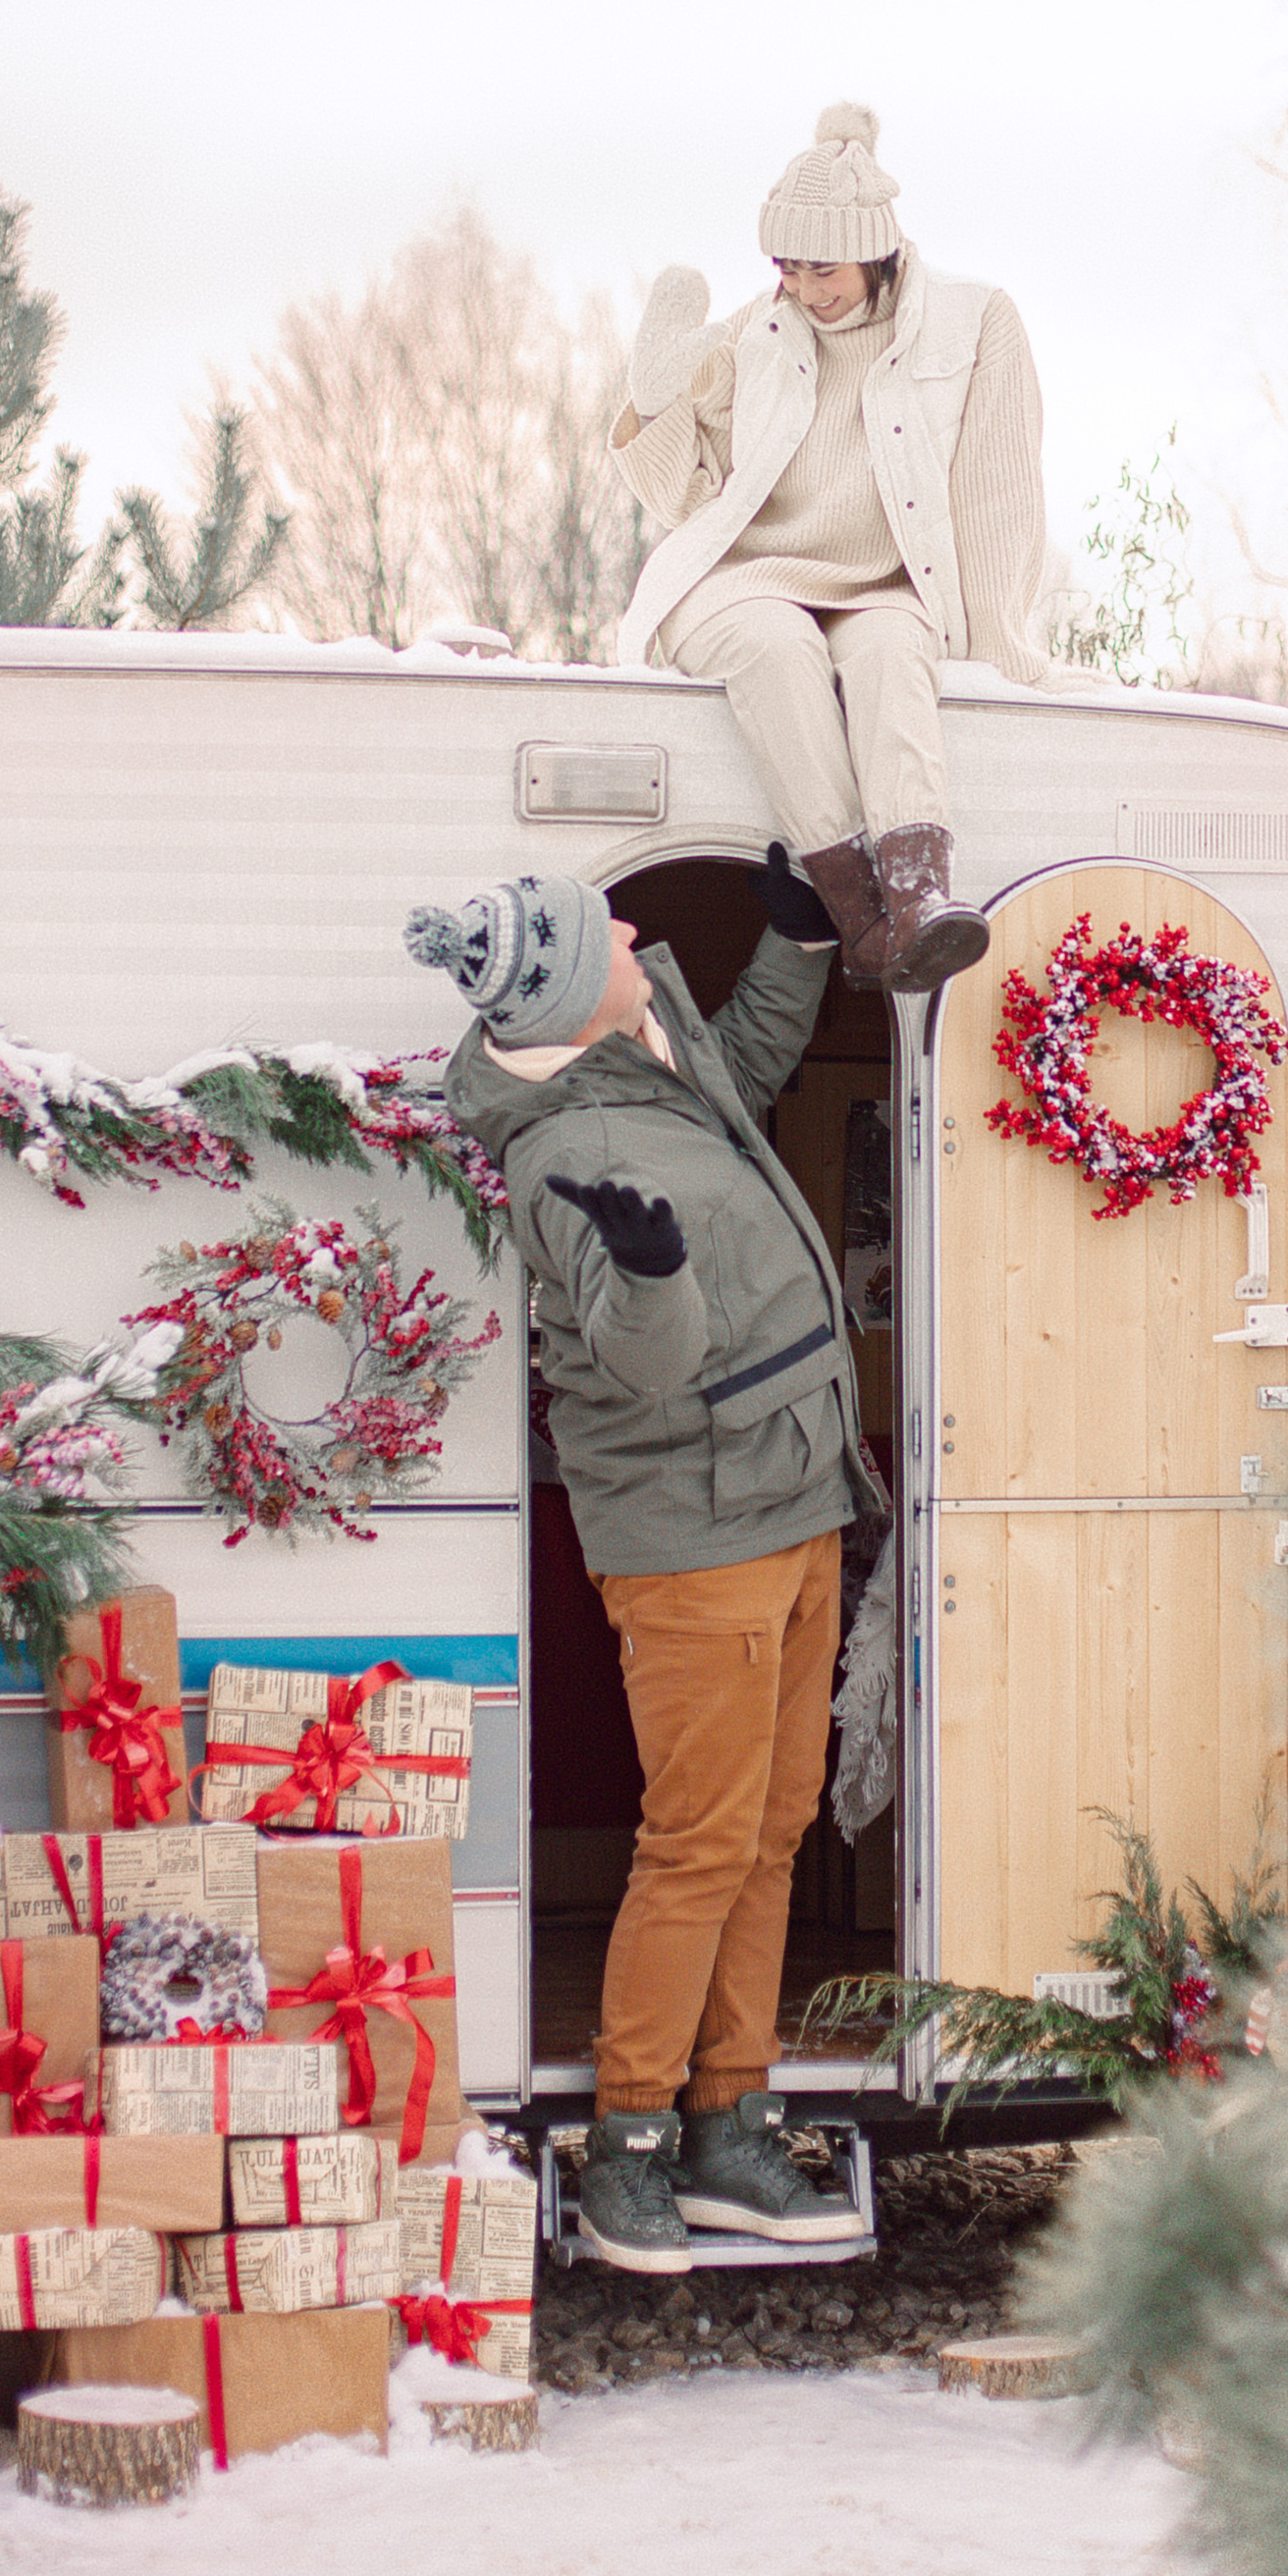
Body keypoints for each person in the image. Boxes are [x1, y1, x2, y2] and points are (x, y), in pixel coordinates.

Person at [408, 850, 882, 2272]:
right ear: (568, 985)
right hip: (697, 1541)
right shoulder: (565, 1152)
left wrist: (795, 940)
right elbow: (644, 1362)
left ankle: (730, 2125)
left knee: (772, 1831)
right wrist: (656, 1272)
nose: (632, 924)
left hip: (794, 1509)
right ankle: (628, 2149)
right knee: (697, 1849)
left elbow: (746, 1059)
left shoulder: (649, 1035)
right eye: (602, 928)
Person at [609, 99, 1065, 993]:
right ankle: (863, 925)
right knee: (777, 651)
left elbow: (997, 487)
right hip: (744, 574)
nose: (806, 291)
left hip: (886, 583)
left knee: (895, 658)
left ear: (876, 249)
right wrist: (652, 406)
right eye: (786, 267)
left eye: (824, 268)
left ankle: (923, 900)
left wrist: (997, 643)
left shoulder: (973, 323)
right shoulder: (751, 333)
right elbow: (688, 496)